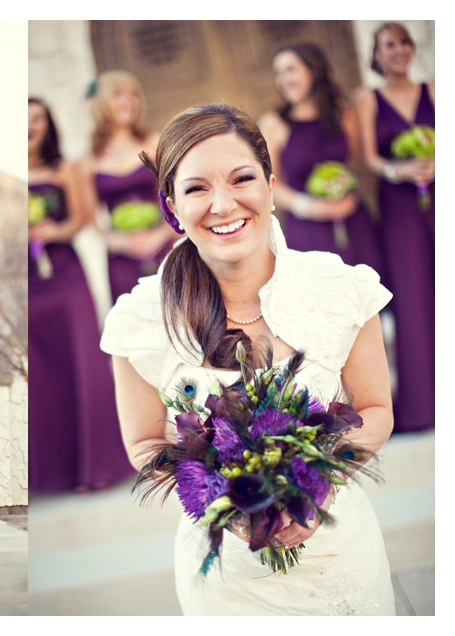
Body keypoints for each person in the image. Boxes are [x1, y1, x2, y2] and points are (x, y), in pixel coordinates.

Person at [100, 103, 395, 615]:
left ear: (270, 184)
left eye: (241, 179)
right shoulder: (139, 321)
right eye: (196, 188)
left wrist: (316, 481)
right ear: (170, 207)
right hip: (227, 584)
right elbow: (146, 443)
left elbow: (376, 410)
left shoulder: (341, 287)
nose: (222, 204)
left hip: (343, 561)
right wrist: (229, 502)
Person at [28, 98, 133, 493]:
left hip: (65, 275)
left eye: (37, 117)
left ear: (47, 125)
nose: (28, 124)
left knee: (83, 365)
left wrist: (53, 231)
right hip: (26, 284)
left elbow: (83, 218)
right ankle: (53, 474)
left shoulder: (65, 168)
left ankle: (95, 469)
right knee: (42, 374)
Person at [354, 22, 434, 433]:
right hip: (399, 205)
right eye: (390, 44)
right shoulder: (367, 99)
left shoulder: (435, 88)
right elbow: (365, 157)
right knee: (414, 294)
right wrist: (395, 169)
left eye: (405, 42)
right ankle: (424, 404)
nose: (400, 50)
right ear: (377, 54)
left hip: (439, 197)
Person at [258, 42, 382, 272]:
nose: (283, 79)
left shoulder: (342, 112)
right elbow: (268, 184)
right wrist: (310, 207)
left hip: (354, 222)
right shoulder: (273, 124)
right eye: (278, 73)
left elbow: (355, 164)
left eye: (290, 70)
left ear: (314, 70)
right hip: (308, 231)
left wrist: (351, 196)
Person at [80, 70, 176, 302]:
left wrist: (161, 235)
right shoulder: (88, 161)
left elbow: (180, 196)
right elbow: (91, 218)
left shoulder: (154, 143)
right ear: (102, 102)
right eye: (118, 94)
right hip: (120, 260)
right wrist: (117, 241)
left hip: (165, 248)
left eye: (133, 94)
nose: (128, 100)